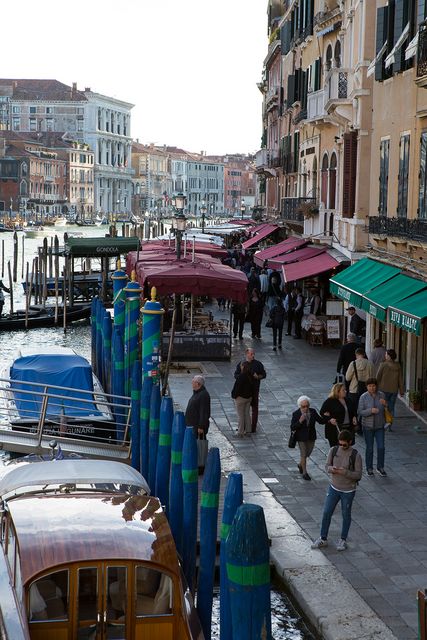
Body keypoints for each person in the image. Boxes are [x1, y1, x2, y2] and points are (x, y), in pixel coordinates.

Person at [311, 429, 362, 552]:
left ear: (350, 442)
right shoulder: (333, 450)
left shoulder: (356, 455)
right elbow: (326, 465)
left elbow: (358, 475)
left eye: (344, 444)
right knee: (327, 512)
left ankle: (343, 539)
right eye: (340, 443)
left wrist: (345, 472)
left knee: (346, 514)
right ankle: (323, 538)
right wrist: (331, 469)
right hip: (334, 487)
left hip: (348, 491)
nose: (342, 446)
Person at [290, 395, 334, 481]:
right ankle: (305, 472)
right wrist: (300, 421)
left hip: (311, 436)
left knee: (307, 454)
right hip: (301, 437)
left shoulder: (312, 411)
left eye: (307, 406)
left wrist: (327, 418)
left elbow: (320, 421)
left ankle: (300, 464)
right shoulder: (296, 414)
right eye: (303, 406)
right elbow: (292, 427)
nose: (306, 408)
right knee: (303, 454)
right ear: (300, 406)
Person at [358, 378, 387, 477]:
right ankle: (369, 468)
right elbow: (360, 411)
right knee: (369, 448)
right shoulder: (363, 397)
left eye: (373, 386)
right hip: (367, 426)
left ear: (376, 386)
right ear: (367, 387)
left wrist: (385, 405)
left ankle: (380, 467)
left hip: (380, 426)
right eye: (369, 386)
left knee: (381, 447)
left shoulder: (381, 395)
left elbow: (386, 410)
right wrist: (370, 411)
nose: (372, 388)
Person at [234, 348, 266, 433]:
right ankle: (243, 427)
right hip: (244, 391)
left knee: (254, 408)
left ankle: (253, 427)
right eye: (251, 354)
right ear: (247, 354)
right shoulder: (241, 364)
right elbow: (236, 375)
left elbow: (264, 374)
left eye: (253, 354)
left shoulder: (258, 364)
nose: (253, 356)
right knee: (244, 411)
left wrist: (258, 377)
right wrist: (242, 376)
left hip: (254, 389)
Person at [320, 383, 358, 447]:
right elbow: (322, 412)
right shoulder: (330, 401)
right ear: (337, 392)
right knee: (335, 448)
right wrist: (330, 419)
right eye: (343, 390)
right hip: (335, 429)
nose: (345, 391)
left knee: (347, 448)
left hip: (348, 428)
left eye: (345, 390)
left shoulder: (348, 400)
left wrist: (354, 417)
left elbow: (354, 410)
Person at [376, 349, 404, 429]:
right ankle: (390, 424)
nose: (385, 356)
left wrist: (375, 387)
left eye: (386, 354)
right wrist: (401, 390)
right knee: (391, 407)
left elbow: (378, 377)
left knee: (382, 407)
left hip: (383, 389)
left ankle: (384, 422)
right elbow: (400, 379)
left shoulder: (383, 365)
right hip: (394, 390)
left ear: (389, 356)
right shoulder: (398, 366)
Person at [345, 347, 375, 418]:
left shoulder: (353, 364)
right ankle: (363, 422)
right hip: (367, 390)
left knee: (353, 409)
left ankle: (355, 421)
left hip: (354, 390)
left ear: (356, 355)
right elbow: (373, 378)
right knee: (365, 409)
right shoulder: (370, 363)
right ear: (364, 354)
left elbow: (347, 378)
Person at [231, 361, 254, 437]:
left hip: (241, 398)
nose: (240, 367)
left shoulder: (241, 376)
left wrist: (234, 396)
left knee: (240, 415)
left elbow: (237, 388)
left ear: (243, 367)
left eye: (241, 366)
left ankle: (240, 432)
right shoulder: (251, 375)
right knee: (247, 414)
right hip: (249, 398)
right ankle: (248, 431)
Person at [184, 375, 211, 439]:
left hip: (198, 427)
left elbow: (204, 412)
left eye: (193, 382)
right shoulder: (197, 393)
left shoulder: (203, 395)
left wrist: (201, 426)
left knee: (199, 442)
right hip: (192, 426)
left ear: (197, 384)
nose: (192, 383)